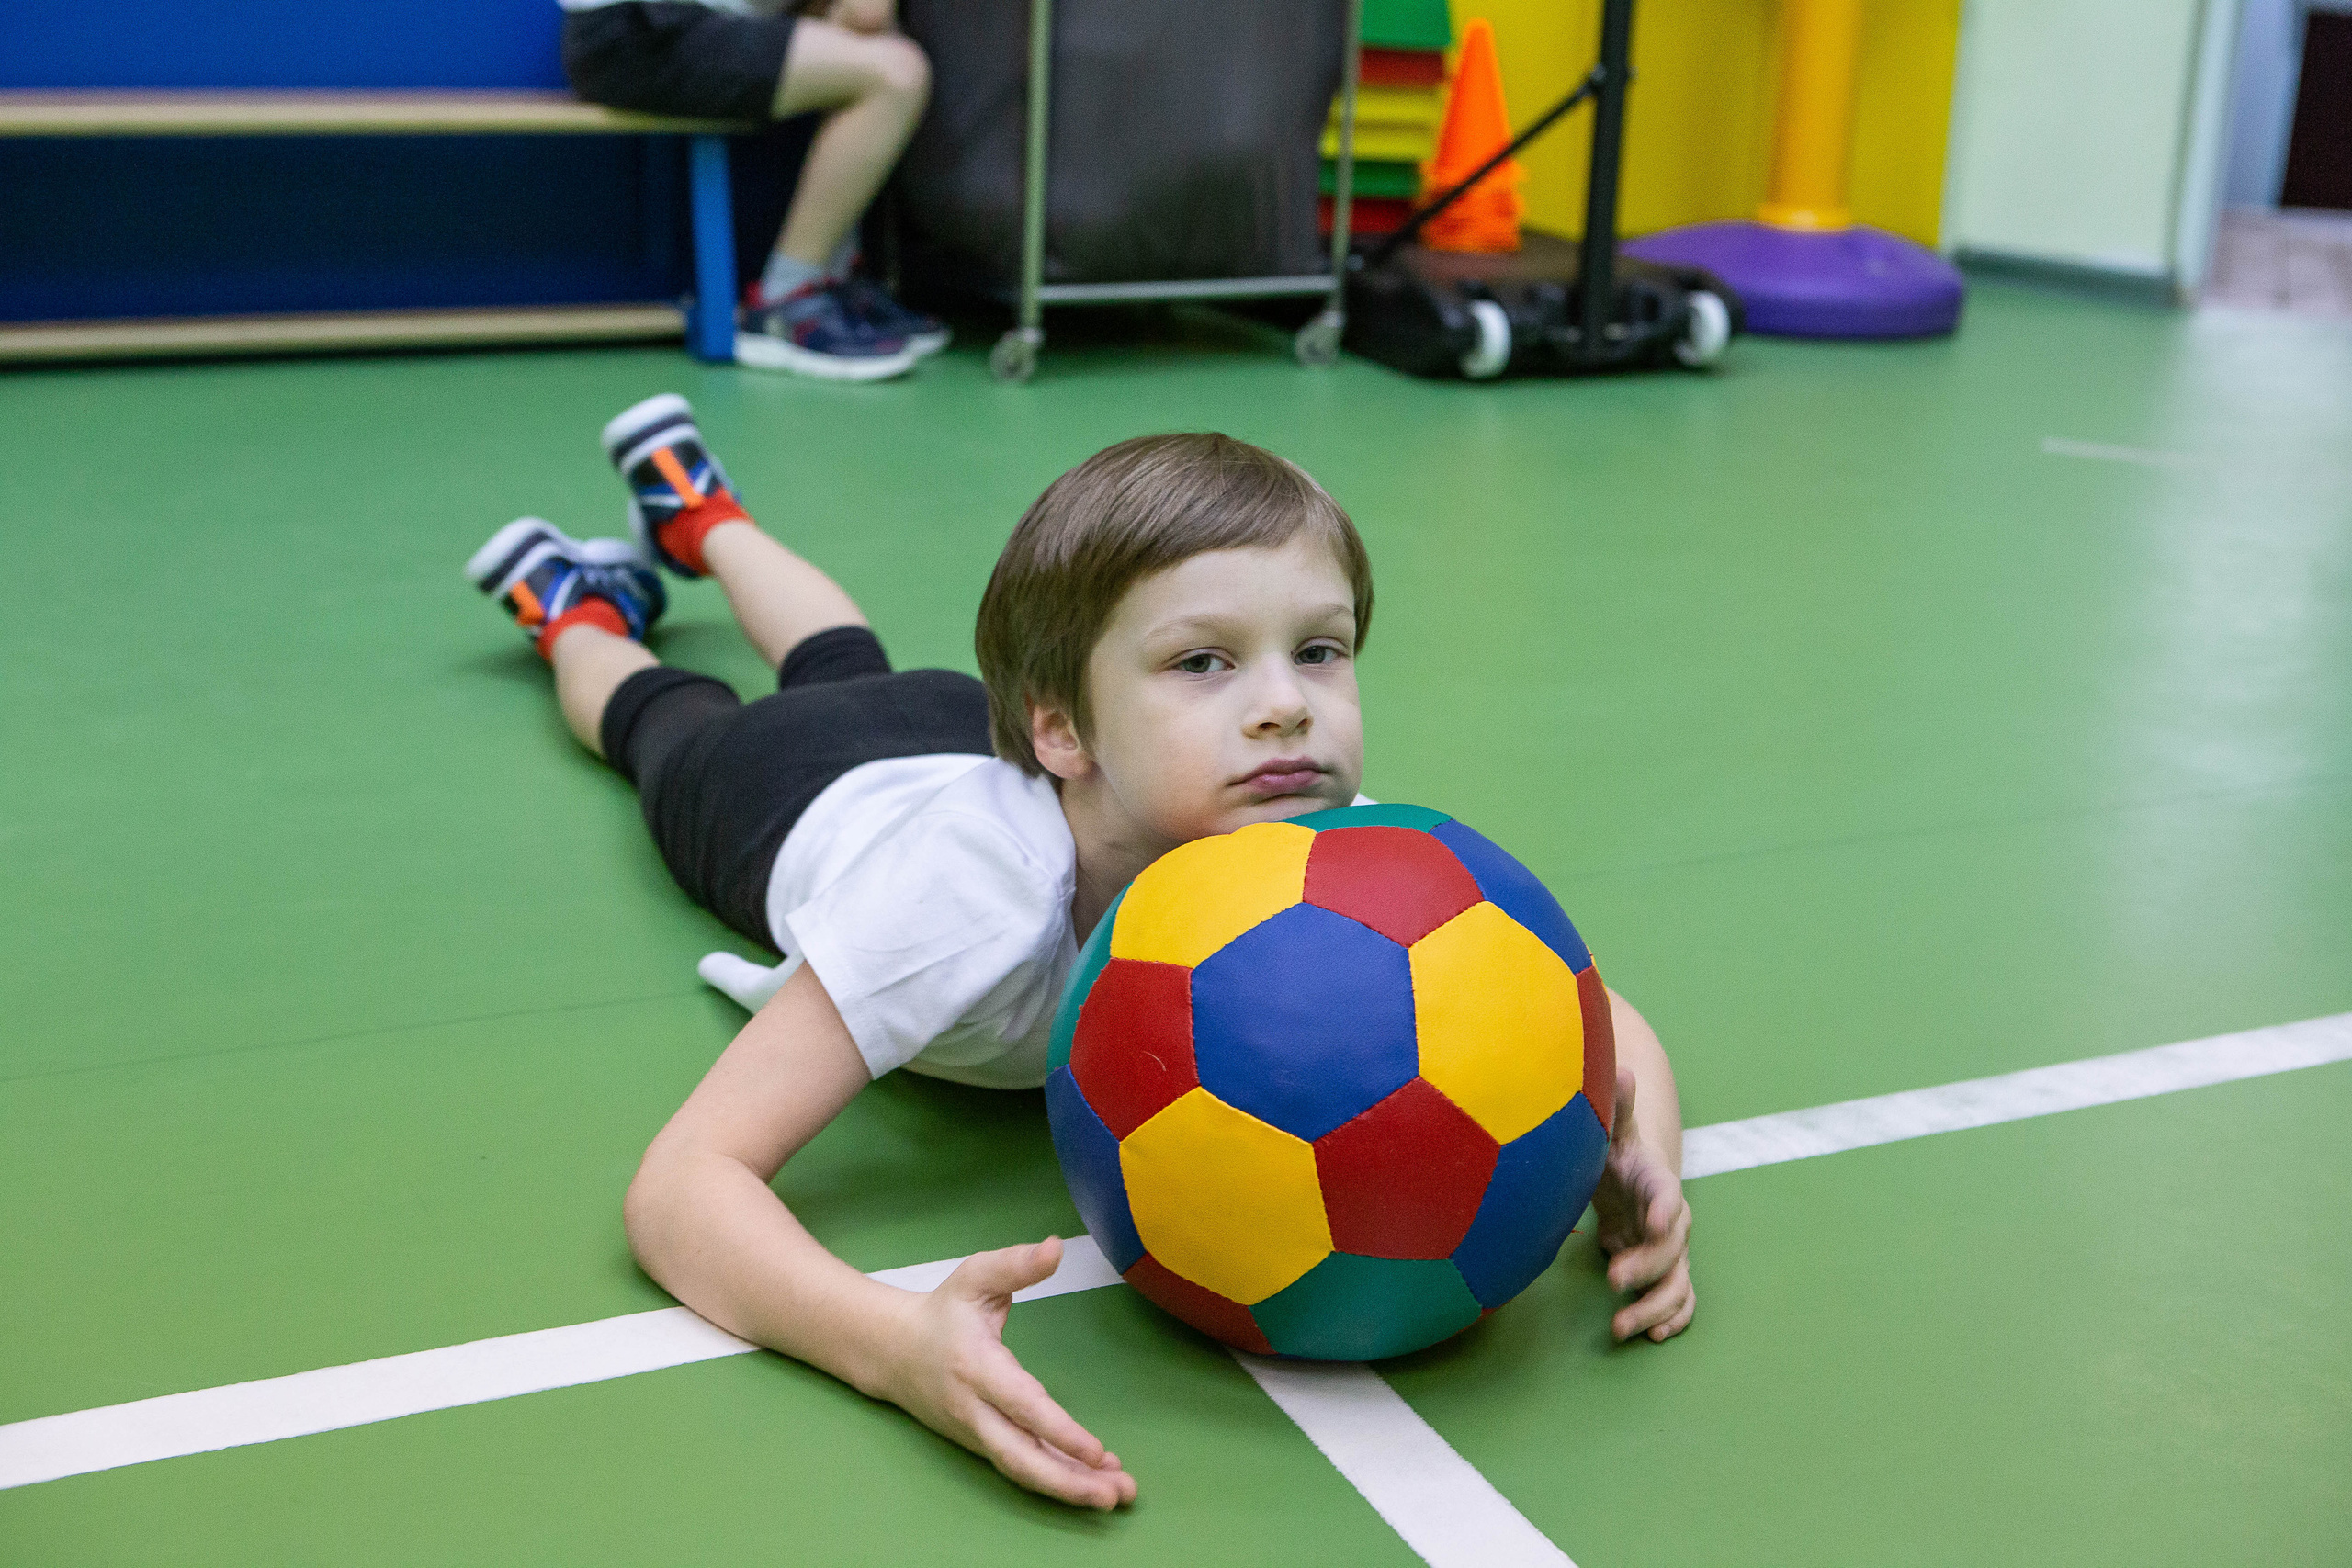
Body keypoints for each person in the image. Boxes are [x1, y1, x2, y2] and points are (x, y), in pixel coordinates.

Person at [463, 392, 1697, 1509]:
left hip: (965, 729)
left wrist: (1645, 1154)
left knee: (850, 655)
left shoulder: (1320, 845)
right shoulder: (954, 909)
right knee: (668, 717)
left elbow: (1592, 1011)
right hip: (792, 798)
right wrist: (889, 1343)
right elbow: (681, 1188)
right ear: (1061, 728)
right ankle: (569, 612)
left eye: (1317, 648)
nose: (1287, 704)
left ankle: (704, 516)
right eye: (1203, 661)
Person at [559, 0, 947, 380]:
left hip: (644, 28)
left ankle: (832, 279)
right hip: (642, 32)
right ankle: (786, 300)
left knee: (865, 41)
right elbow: (869, 12)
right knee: (896, 73)